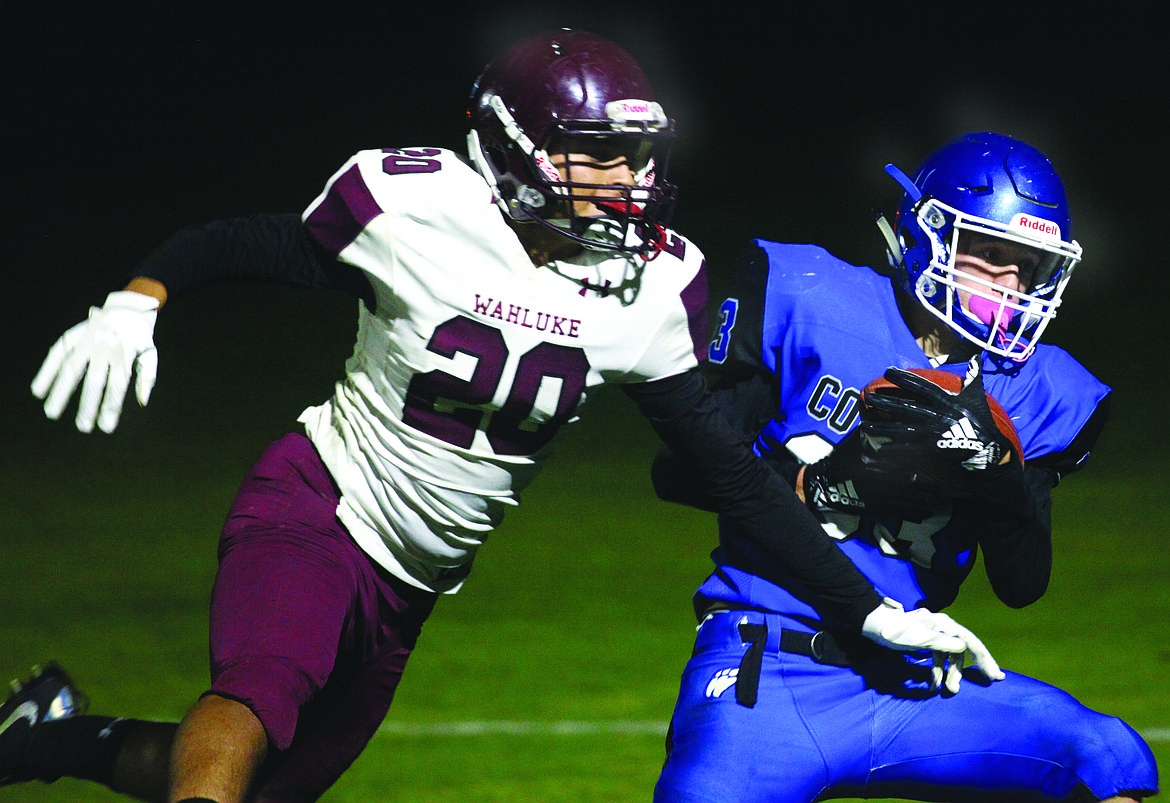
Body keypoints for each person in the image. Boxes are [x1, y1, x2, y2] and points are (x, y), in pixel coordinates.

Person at [2, 31, 1002, 803]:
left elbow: (731, 470)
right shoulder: (420, 209)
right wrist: (143, 298)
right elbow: (248, 241)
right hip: (320, 503)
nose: (631, 182)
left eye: (638, 157)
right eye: (602, 156)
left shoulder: (650, 288)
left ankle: (48, 735)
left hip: (415, 578)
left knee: (268, 780)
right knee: (261, 686)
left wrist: (867, 607)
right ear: (520, 151)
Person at [651, 132, 1160, 802]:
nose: (1008, 285)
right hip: (770, 662)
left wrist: (997, 467)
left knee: (1103, 756)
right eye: (990, 255)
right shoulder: (807, 294)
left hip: (911, 679)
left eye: (1027, 266)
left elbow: (1022, 580)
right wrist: (823, 483)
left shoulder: (1040, 389)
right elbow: (682, 469)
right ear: (928, 234)